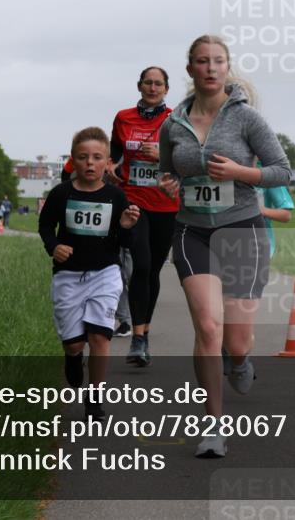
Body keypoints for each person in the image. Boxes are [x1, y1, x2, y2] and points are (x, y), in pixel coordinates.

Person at [158, 35, 291, 458]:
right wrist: (170, 183)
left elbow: (281, 172)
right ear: (190, 69)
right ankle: (213, 426)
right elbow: (168, 170)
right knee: (208, 328)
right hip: (191, 231)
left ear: (227, 68)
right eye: (202, 61)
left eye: (218, 61)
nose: (211, 68)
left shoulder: (247, 119)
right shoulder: (172, 124)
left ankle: (240, 362)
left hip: (241, 230)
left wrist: (240, 172)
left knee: (236, 341)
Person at [38, 127, 140, 420]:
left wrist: (126, 226)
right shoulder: (61, 194)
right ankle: (72, 358)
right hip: (68, 276)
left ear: (108, 162)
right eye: (83, 158)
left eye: (97, 158)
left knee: (99, 338)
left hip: (105, 274)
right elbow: (45, 227)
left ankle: (94, 399)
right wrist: (54, 246)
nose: (90, 164)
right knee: (75, 343)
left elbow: (124, 244)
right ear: (73, 160)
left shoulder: (115, 196)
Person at [108, 66, 179, 367]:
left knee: (152, 272)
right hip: (133, 199)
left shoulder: (176, 119)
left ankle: (144, 333)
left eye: (158, 84)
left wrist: (161, 157)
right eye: (148, 83)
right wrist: (111, 168)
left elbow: (187, 159)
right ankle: (137, 339)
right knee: (142, 263)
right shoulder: (123, 117)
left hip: (165, 204)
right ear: (139, 86)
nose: (152, 88)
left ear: (166, 89)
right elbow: (114, 153)